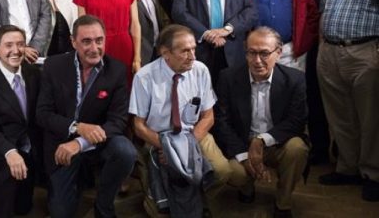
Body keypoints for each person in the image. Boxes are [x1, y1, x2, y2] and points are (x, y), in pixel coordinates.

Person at [36, 15, 137, 218]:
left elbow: (118, 121)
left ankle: (104, 204)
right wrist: (76, 127)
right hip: (61, 145)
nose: (94, 48)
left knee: (126, 151)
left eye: (99, 40)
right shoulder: (53, 66)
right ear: (73, 42)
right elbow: (43, 115)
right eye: (86, 41)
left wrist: (80, 143)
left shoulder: (116, 70)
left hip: (97, 142)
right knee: (61, 212)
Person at [130, 24, 232, 217]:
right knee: (159, 210)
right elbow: (138, 126)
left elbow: (208, 117)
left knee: (222, 172)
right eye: (185, 51)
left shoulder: (200, 70)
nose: (193, 56)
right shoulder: (144, 77)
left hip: (194, 134)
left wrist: (184, 148)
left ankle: (198, 201)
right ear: (165, 53)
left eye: (193, 48)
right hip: (156, 139)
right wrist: (167, 148)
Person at [214, 27, 309, 218]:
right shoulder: (228, 77)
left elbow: (296, 120)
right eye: (252, 53)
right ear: (245, 52)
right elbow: (222, 123)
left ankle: (283, 202)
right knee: (235, 173)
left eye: (264, 53)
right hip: (242, 143)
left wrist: (262, 140)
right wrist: (243, 155)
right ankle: (246, 187)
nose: (257, 61)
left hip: (275, 143)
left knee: (297, 148)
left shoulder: (295, 79)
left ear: (279, 53)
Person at [317, 0, 379, 202]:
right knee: (339, 116)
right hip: (329, 52)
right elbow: (324, 11)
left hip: (365, 53)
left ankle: (373, 173)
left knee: (370, 118)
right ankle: (348, 168)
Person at [0, 25, 42, 217]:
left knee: (24, 208)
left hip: (34, 148)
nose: (15, 50)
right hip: (2, 152)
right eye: (8, 45)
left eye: (20, 44)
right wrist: (9, 152)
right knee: (5, 205)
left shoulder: (35, 74)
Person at [301, 0, 340, 164]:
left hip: (340, 46)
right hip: (313, 46)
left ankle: (344, 154)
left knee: (340, 103)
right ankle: (319, 148)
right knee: (314, 97)